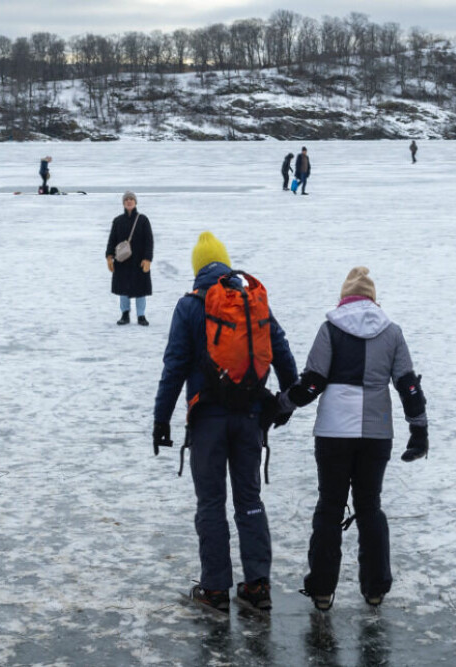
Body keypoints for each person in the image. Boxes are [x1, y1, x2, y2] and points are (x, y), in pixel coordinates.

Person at [153, 232, 298, 611]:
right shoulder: (251, 301)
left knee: (212, 503)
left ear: (197, 268)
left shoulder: (189, 307)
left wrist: (161, 420)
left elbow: (174, 368)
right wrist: (285, 403)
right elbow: (281, 351)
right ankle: (257, 587)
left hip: (207, 420)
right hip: (250, 417)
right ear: (226, 263)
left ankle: (215, 589)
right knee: (249, 500)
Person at [276, 267, 428, 611]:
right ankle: (375, 588)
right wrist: (419, 430)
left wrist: (281, 405)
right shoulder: (392, 332)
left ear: (344, 298)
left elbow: (312, 382)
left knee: (329, 507)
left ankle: (322, 590)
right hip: (376, 433)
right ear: (373, 299)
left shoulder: (330, 328)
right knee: (369, 506)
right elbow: (408, 385)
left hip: (333, 432)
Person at [105, 191, 153, 326]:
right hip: (122, 261)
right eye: (126, 199)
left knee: (140, 289)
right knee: (123, 289)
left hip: (139, 261)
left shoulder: (143, 220)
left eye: (131, 199)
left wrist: (147, 259)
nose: (129, 201)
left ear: (135, 202)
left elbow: (149, 241)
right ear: (123, 203)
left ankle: (141, 315)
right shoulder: (118, 221)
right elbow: (112, 240)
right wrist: (109, 257)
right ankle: (125, 314)